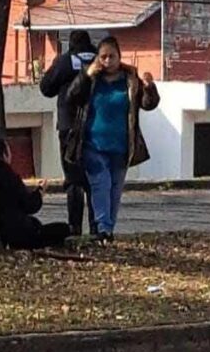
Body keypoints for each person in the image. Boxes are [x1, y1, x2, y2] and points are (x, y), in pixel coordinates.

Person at [64, 37, 159, 243]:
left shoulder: (130, 78)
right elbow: (71, 97)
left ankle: (108, 229)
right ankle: (103, 228)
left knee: (115, 190)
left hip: (122, 146)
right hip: (93, 144)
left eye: (111, 56)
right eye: (103, 57)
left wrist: (150, 87)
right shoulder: (92, 79)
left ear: (119, 56)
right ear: (98, 59)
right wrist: (86, 75)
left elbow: (147, 104)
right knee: (101, 184)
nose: (107, 61)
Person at [40, 30, 97, 236]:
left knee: (73, 179)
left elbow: (46, 88)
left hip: (69, 127)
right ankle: (97, 227)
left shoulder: (66, 61)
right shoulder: (101, 59)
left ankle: (74, 227)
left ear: (71, 44)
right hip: (95, 126)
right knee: (93, 178)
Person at [0, 140, 70, 249]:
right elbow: (29, 205)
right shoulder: (9, 177)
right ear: (4, 154)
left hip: (5, 230)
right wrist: (39, 191)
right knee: (63, 229)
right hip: (19, 230)